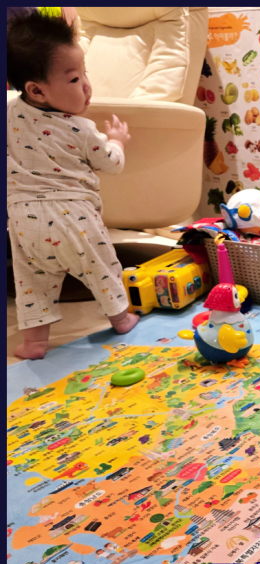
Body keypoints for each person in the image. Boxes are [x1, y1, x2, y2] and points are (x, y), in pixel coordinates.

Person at [7, 9, 138, 360]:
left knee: (31, 283)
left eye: (84, 74)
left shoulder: (9, 114)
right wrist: (116, 141)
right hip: (72, 217)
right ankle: (121, 319)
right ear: (37, 89)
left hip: (22, 221)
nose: (87, 86)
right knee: (102, 267)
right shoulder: (81, 129)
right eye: (75, 79)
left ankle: (34, 343)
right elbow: (111, 164)